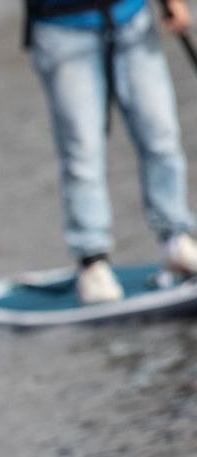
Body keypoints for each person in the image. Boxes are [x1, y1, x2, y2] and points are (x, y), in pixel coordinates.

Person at [25, 0, 197, 302]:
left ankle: (176, 239)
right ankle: (93, 261)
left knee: (161, 136)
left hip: (131, 19)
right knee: (82, 152)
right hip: (63, 27)